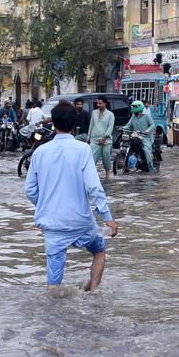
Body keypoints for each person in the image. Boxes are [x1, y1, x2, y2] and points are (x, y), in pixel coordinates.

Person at [24, 102, 119, 291]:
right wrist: (108, 219)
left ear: (54, 124)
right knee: (99, 250)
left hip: (52, 226)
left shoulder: (40, 152)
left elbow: (30, 190)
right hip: (81, 222)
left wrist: (45, 208)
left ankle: (54, 310)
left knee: (53, 283)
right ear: (74, 124)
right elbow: (94, 188)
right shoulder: (83, 149)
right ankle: (93, 295)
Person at [119, 100, 155, 171]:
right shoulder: (133, 117)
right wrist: (122, 128)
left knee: (146, 151)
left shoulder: (146, 116)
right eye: (132, 107)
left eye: (134, 107)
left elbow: (153, 125)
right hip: (135, 136)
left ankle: (151, 169)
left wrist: (146, 131)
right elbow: (128, 126)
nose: (132, 109)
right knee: (128, 146)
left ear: (139, 107)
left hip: (146, 137)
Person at [88, 95, 115, 177]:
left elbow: (110, 128)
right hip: (94, 140)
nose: (98, 105)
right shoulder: (94, 113)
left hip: (106, 141)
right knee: (91, 159)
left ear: (105, 103)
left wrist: (104, 138)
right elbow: (91, 125)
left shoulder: (110, 114)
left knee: (106, 157)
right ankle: (91, 175)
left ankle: (107, 175)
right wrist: (88, 137)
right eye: (97, 103)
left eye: (100, 103)